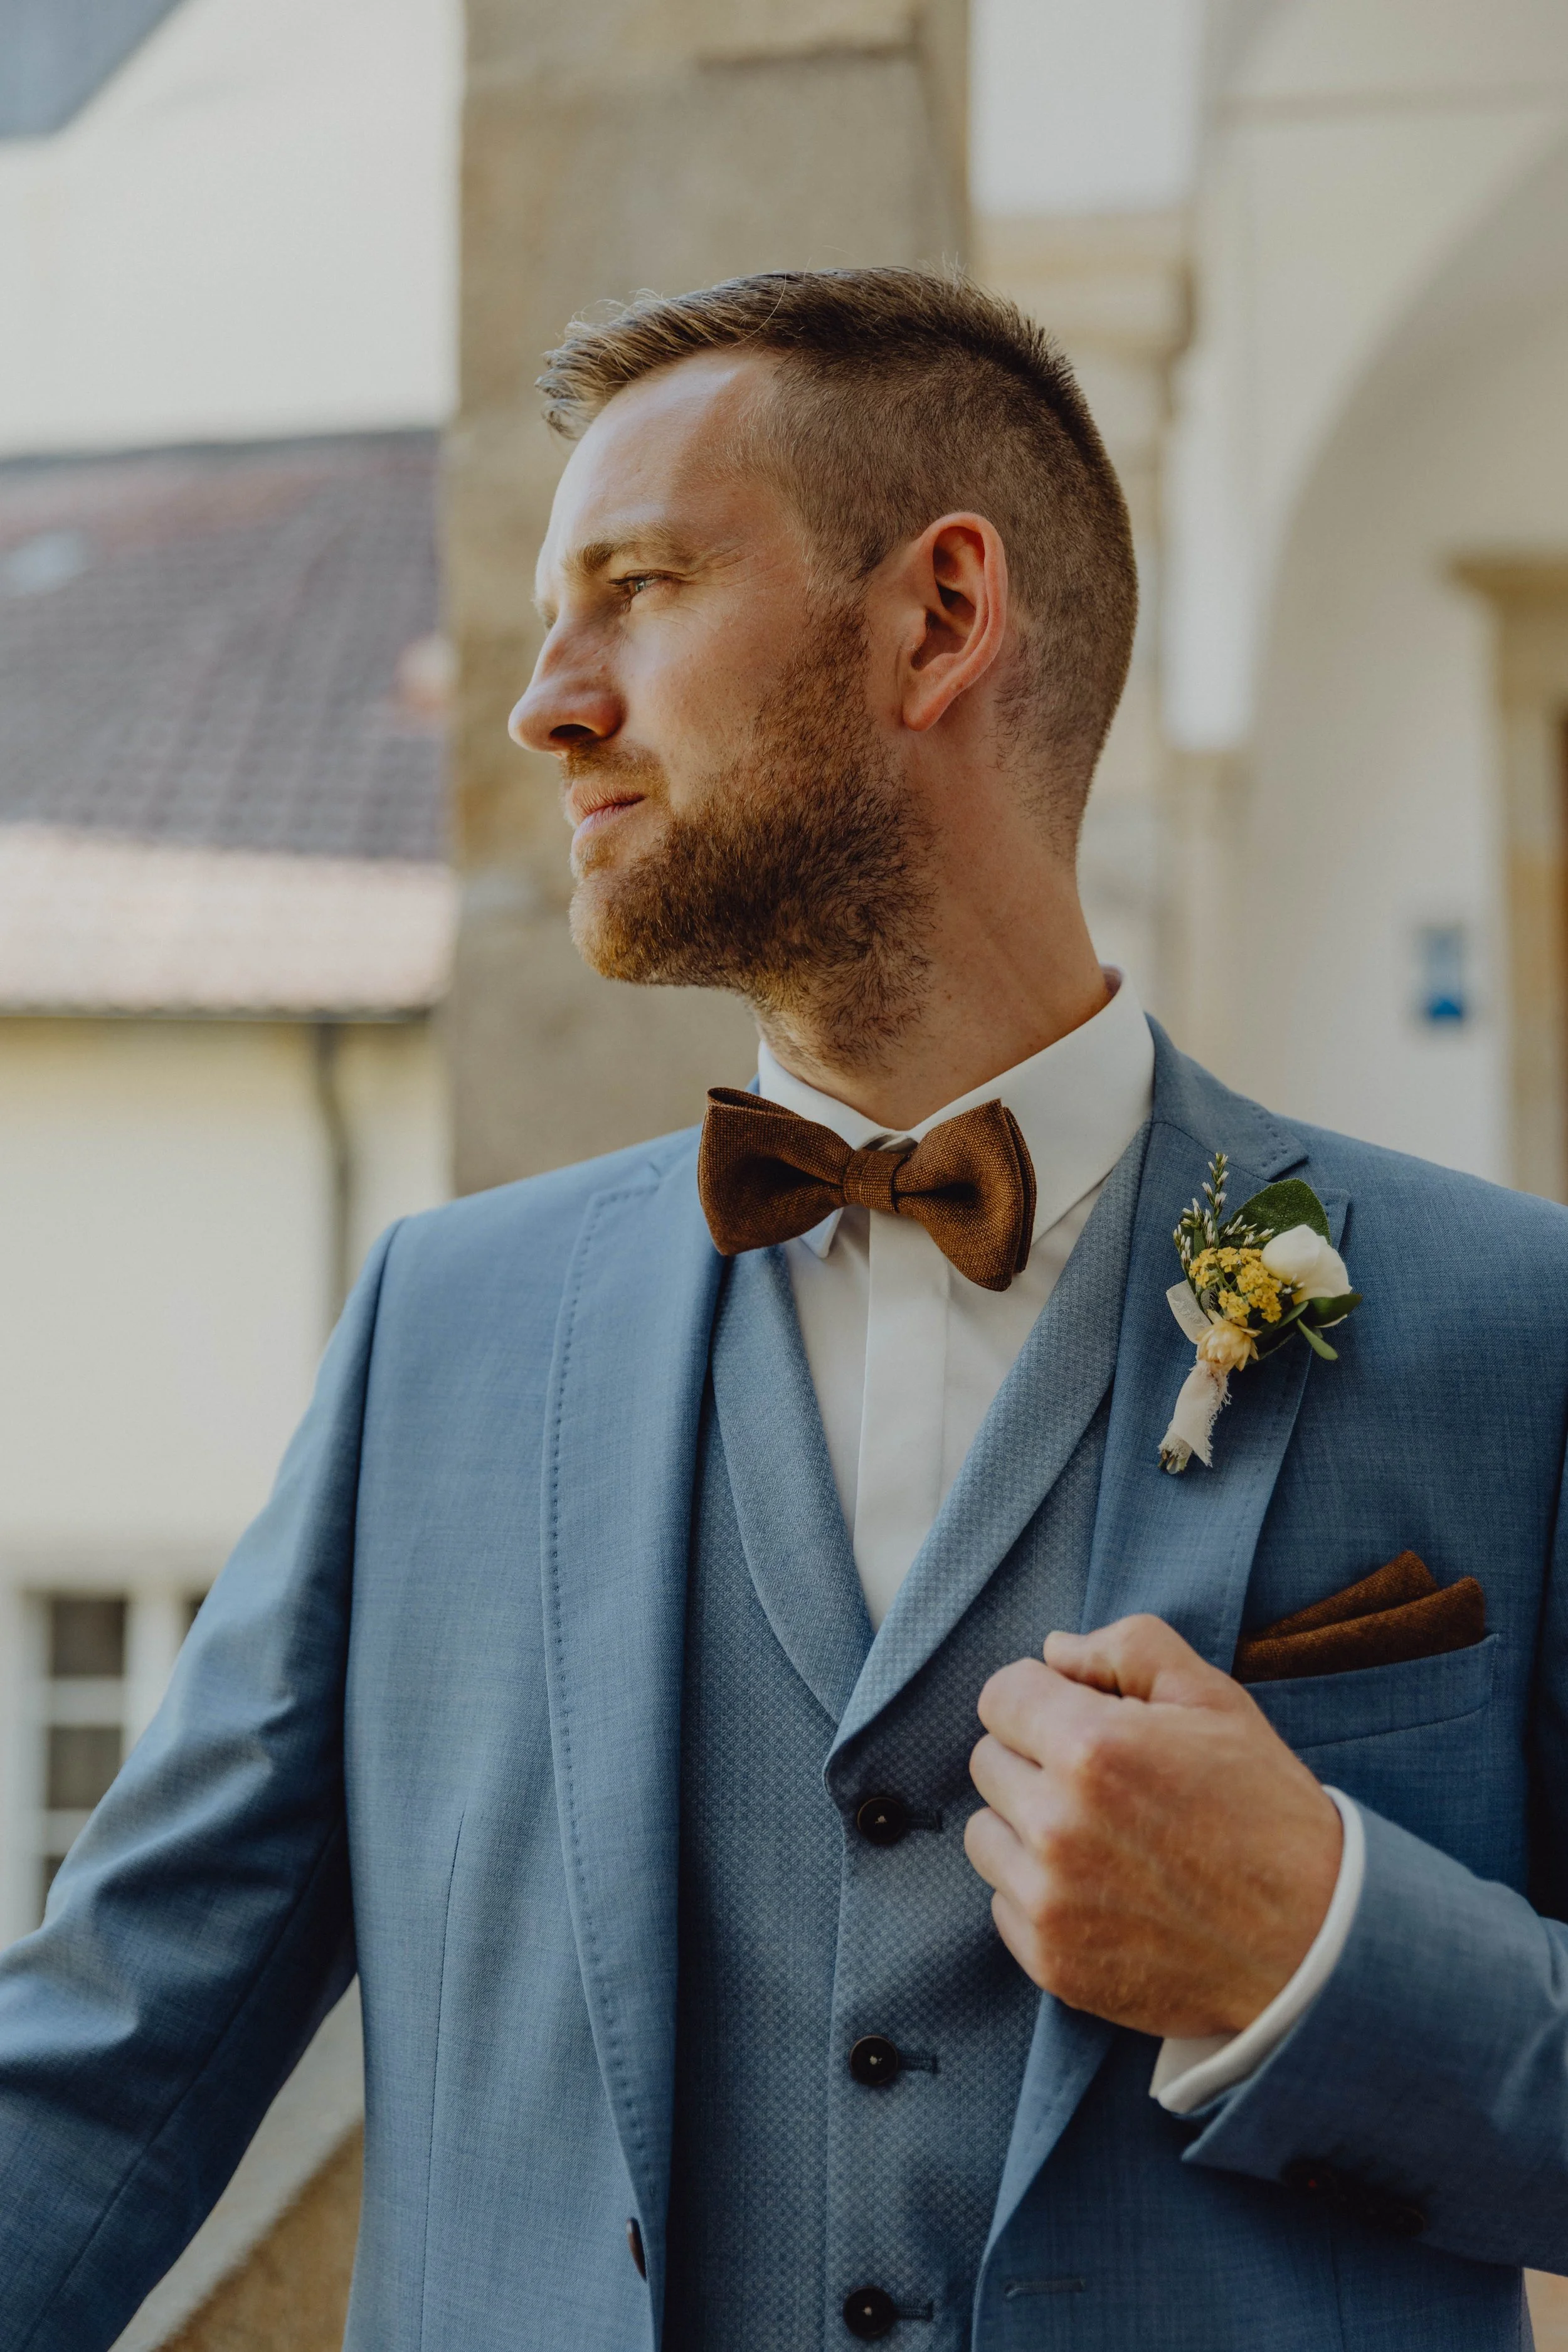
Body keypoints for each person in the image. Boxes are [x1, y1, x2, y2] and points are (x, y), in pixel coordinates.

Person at [1, 268, 1565, 2352]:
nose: (545, 699)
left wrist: (1316, 1943)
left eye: (634, 587)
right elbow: (113, 2055)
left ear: (937, 616)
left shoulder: (1497, 1323)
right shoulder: (440, 1336)